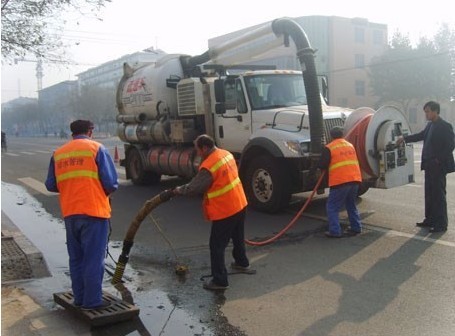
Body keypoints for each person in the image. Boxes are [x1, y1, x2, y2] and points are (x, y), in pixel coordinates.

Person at [45, 120, 118, 309]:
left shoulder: (58, 153)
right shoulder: (96, 148)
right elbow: (111, 183)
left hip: (70, 213)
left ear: (71, 133)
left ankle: (79, 298)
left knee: (76, 258)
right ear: (90, 131)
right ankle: (93, 301)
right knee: (93, 259)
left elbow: (51, 185)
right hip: (94, 212)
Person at [172, 134, 250, 290]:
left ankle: (220, 281)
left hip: (225, 209)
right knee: (237, 236)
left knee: (216, 246)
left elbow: (194, 188)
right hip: (240, 203)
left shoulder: (209, 165)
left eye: (198, 149)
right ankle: (242, 263)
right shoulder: (226, 154)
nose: (197, 153)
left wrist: (178, 190)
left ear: (205, 148)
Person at [397, 101, 455, 233]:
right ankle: (429, 219)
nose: (426, 114)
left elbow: (450, 145)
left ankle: (441, 224)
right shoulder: (430, 126)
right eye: (425, 112)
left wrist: (438, 160)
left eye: (428, 111)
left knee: (438, 195)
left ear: (435, 111)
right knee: (429, 194)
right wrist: (405, 138)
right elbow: (420, 136)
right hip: (428, 165)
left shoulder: (445, 126)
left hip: (438, 166)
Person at [318, 126, 363, 238]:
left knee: (332, 207)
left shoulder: (329, 147)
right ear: (342, 135)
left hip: (340, 181)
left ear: (331, 135)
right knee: (351, 204)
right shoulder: (350, 145)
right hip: (354, 179)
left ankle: (335, 231)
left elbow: (322, 164)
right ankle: (356, 227)